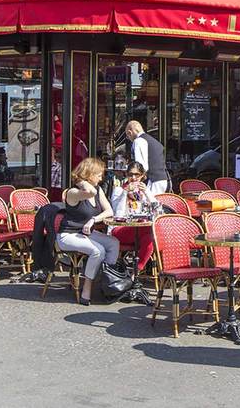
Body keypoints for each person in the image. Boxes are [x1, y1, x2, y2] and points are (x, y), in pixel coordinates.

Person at [56, 157, 120, 305]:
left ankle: (106, 281)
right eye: (98, 175)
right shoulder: (73, 192)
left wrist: (94, 219)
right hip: (68, 235)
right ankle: (87, 287)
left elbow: (109, 211)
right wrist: (81, 181)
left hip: (85, 233)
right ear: (89, 174)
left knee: (113, 243)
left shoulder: (98, 190)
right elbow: (90, 192)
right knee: (98, 251)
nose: (101, 178)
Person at [109, 161, 157, 271]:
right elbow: (118, 214)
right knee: (151, 230)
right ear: (126, 175)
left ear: (142, 176)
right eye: (131, 174)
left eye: (137, 175)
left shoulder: (144, 192)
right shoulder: (119, 190)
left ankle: (136, 272)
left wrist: (146, 192)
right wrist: (125, 193)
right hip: (120, 229)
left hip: (140, 230)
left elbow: (156, 209)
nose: (134, 178)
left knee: (150, 239)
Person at [125, 120, 169, 196]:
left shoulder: (138, 141)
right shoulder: (155, 141)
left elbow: (140, 166)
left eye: (128, 136)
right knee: (157, 202)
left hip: (152, 181)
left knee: (149, 202)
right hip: (162, 179)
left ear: (130, 132)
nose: (129, 138)